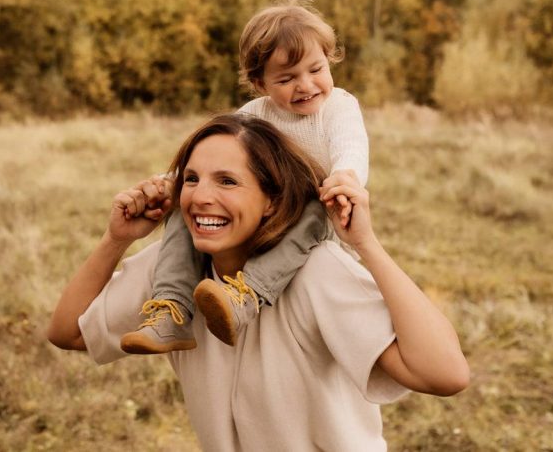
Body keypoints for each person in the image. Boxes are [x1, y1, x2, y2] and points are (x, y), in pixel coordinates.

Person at [48, 114, 469, 450]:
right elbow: (68, 332)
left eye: (227, 181)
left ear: (271, 200)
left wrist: (367, 245)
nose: (200, 196)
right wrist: (115, 240)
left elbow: (445, 374)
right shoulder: (172, 273)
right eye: (191, 179)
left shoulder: (316, 272)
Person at [120, 0, 367, 353]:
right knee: (185, 204)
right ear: (260, 82)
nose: (306, 85)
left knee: (313, 206)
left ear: (329, 61)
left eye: (316, 70)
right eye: (286, 78)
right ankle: (171, 312)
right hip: (262, 214)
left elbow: (352, 146)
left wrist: (345, 176)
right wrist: (169, 182)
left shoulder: (339, 107)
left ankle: (244, 297)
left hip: (318, 218)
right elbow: (218, 155)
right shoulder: (254, 114)